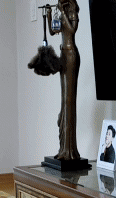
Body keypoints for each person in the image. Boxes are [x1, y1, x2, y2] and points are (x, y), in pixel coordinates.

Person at [47, 0, 81, 161]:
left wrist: (62, 13)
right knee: (64, 101)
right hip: (63, 55)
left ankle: (70, 149)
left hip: (71, 55)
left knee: (69, 101)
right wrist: (49, 15)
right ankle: (64, 148)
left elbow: (72, 30)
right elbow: (53, 31)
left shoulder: (72, 13)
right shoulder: (62, 13)